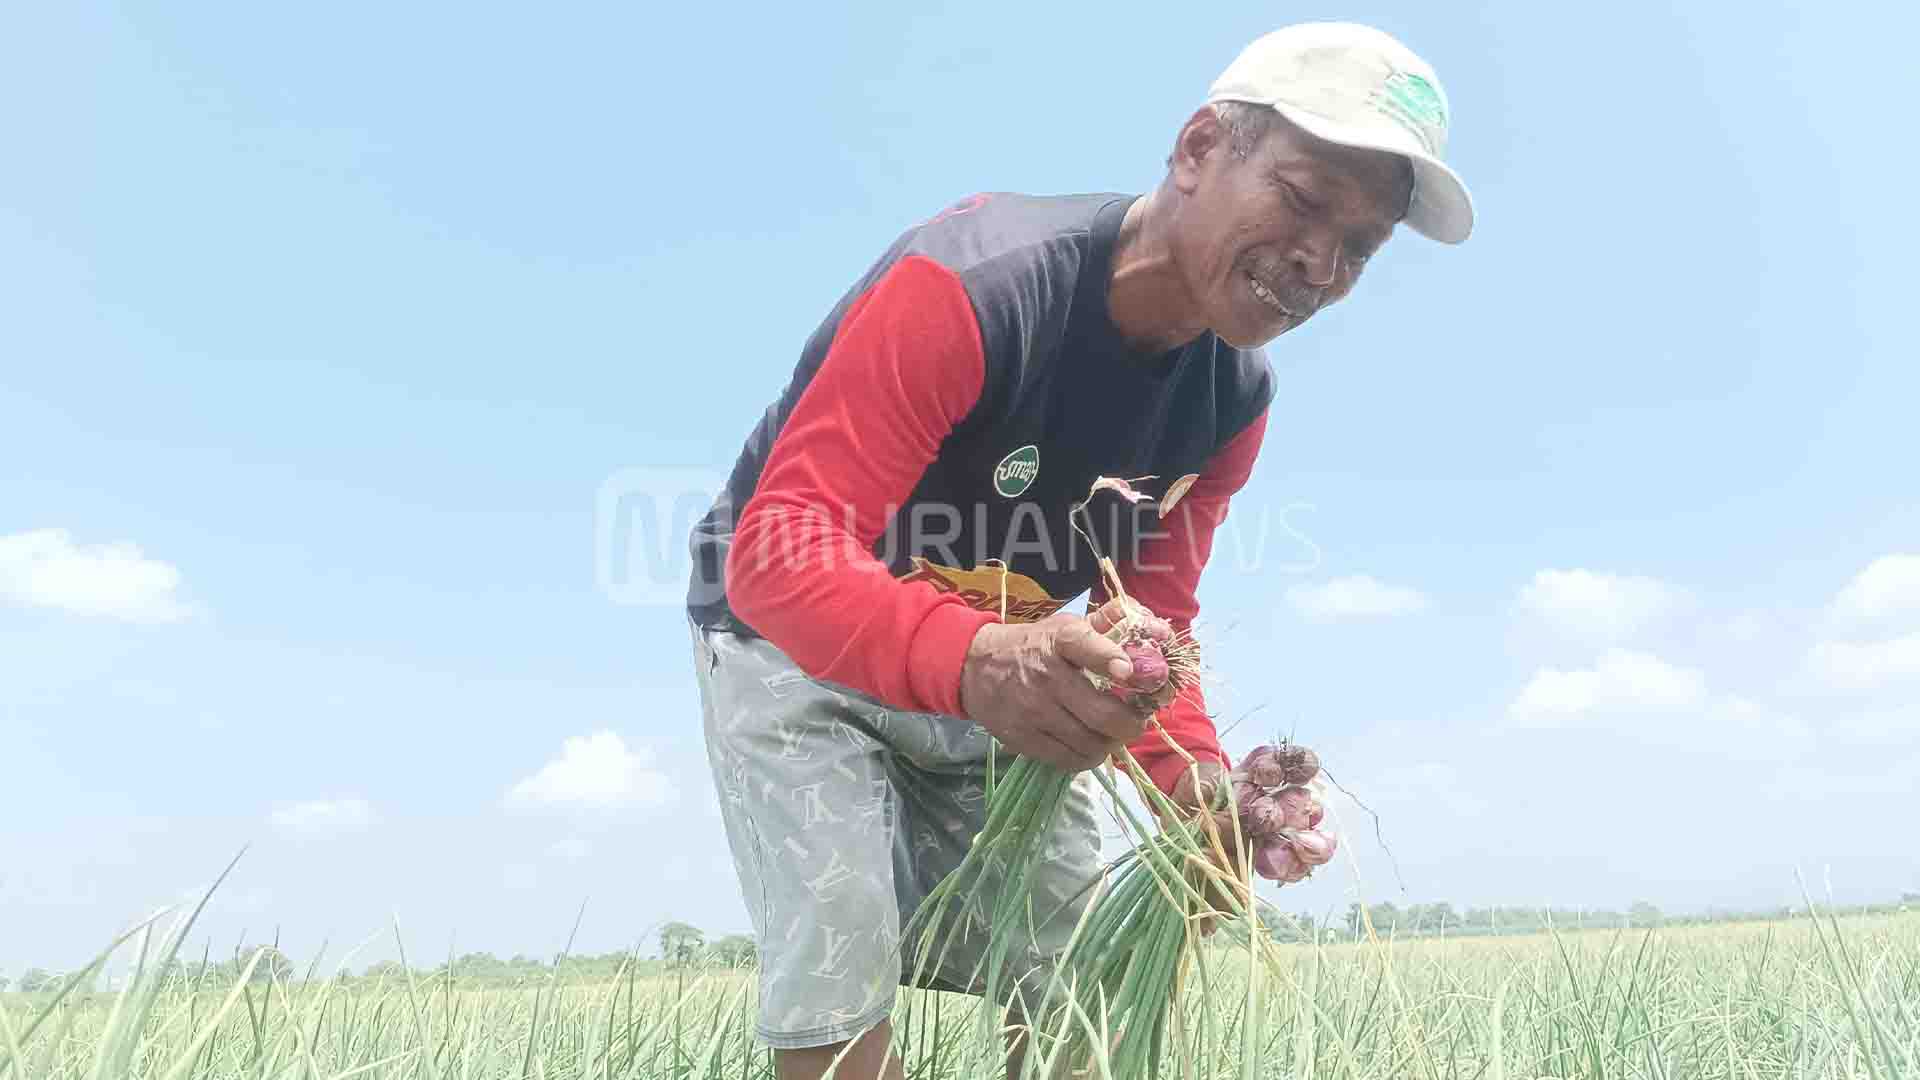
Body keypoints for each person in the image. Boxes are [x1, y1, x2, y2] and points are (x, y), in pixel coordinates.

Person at [685, 21, 1474, 1079]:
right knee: (839, 943)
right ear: (1198, 149)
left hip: (991, 662)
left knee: (1083, 956)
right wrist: (980, 660)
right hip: (794, 640)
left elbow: (1154, 620)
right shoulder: (975, 288)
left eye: (1361, 249)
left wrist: (1202, 793)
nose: (1321, 264)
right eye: (1302, 199)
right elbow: (779, 553)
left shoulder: (1230, 404)